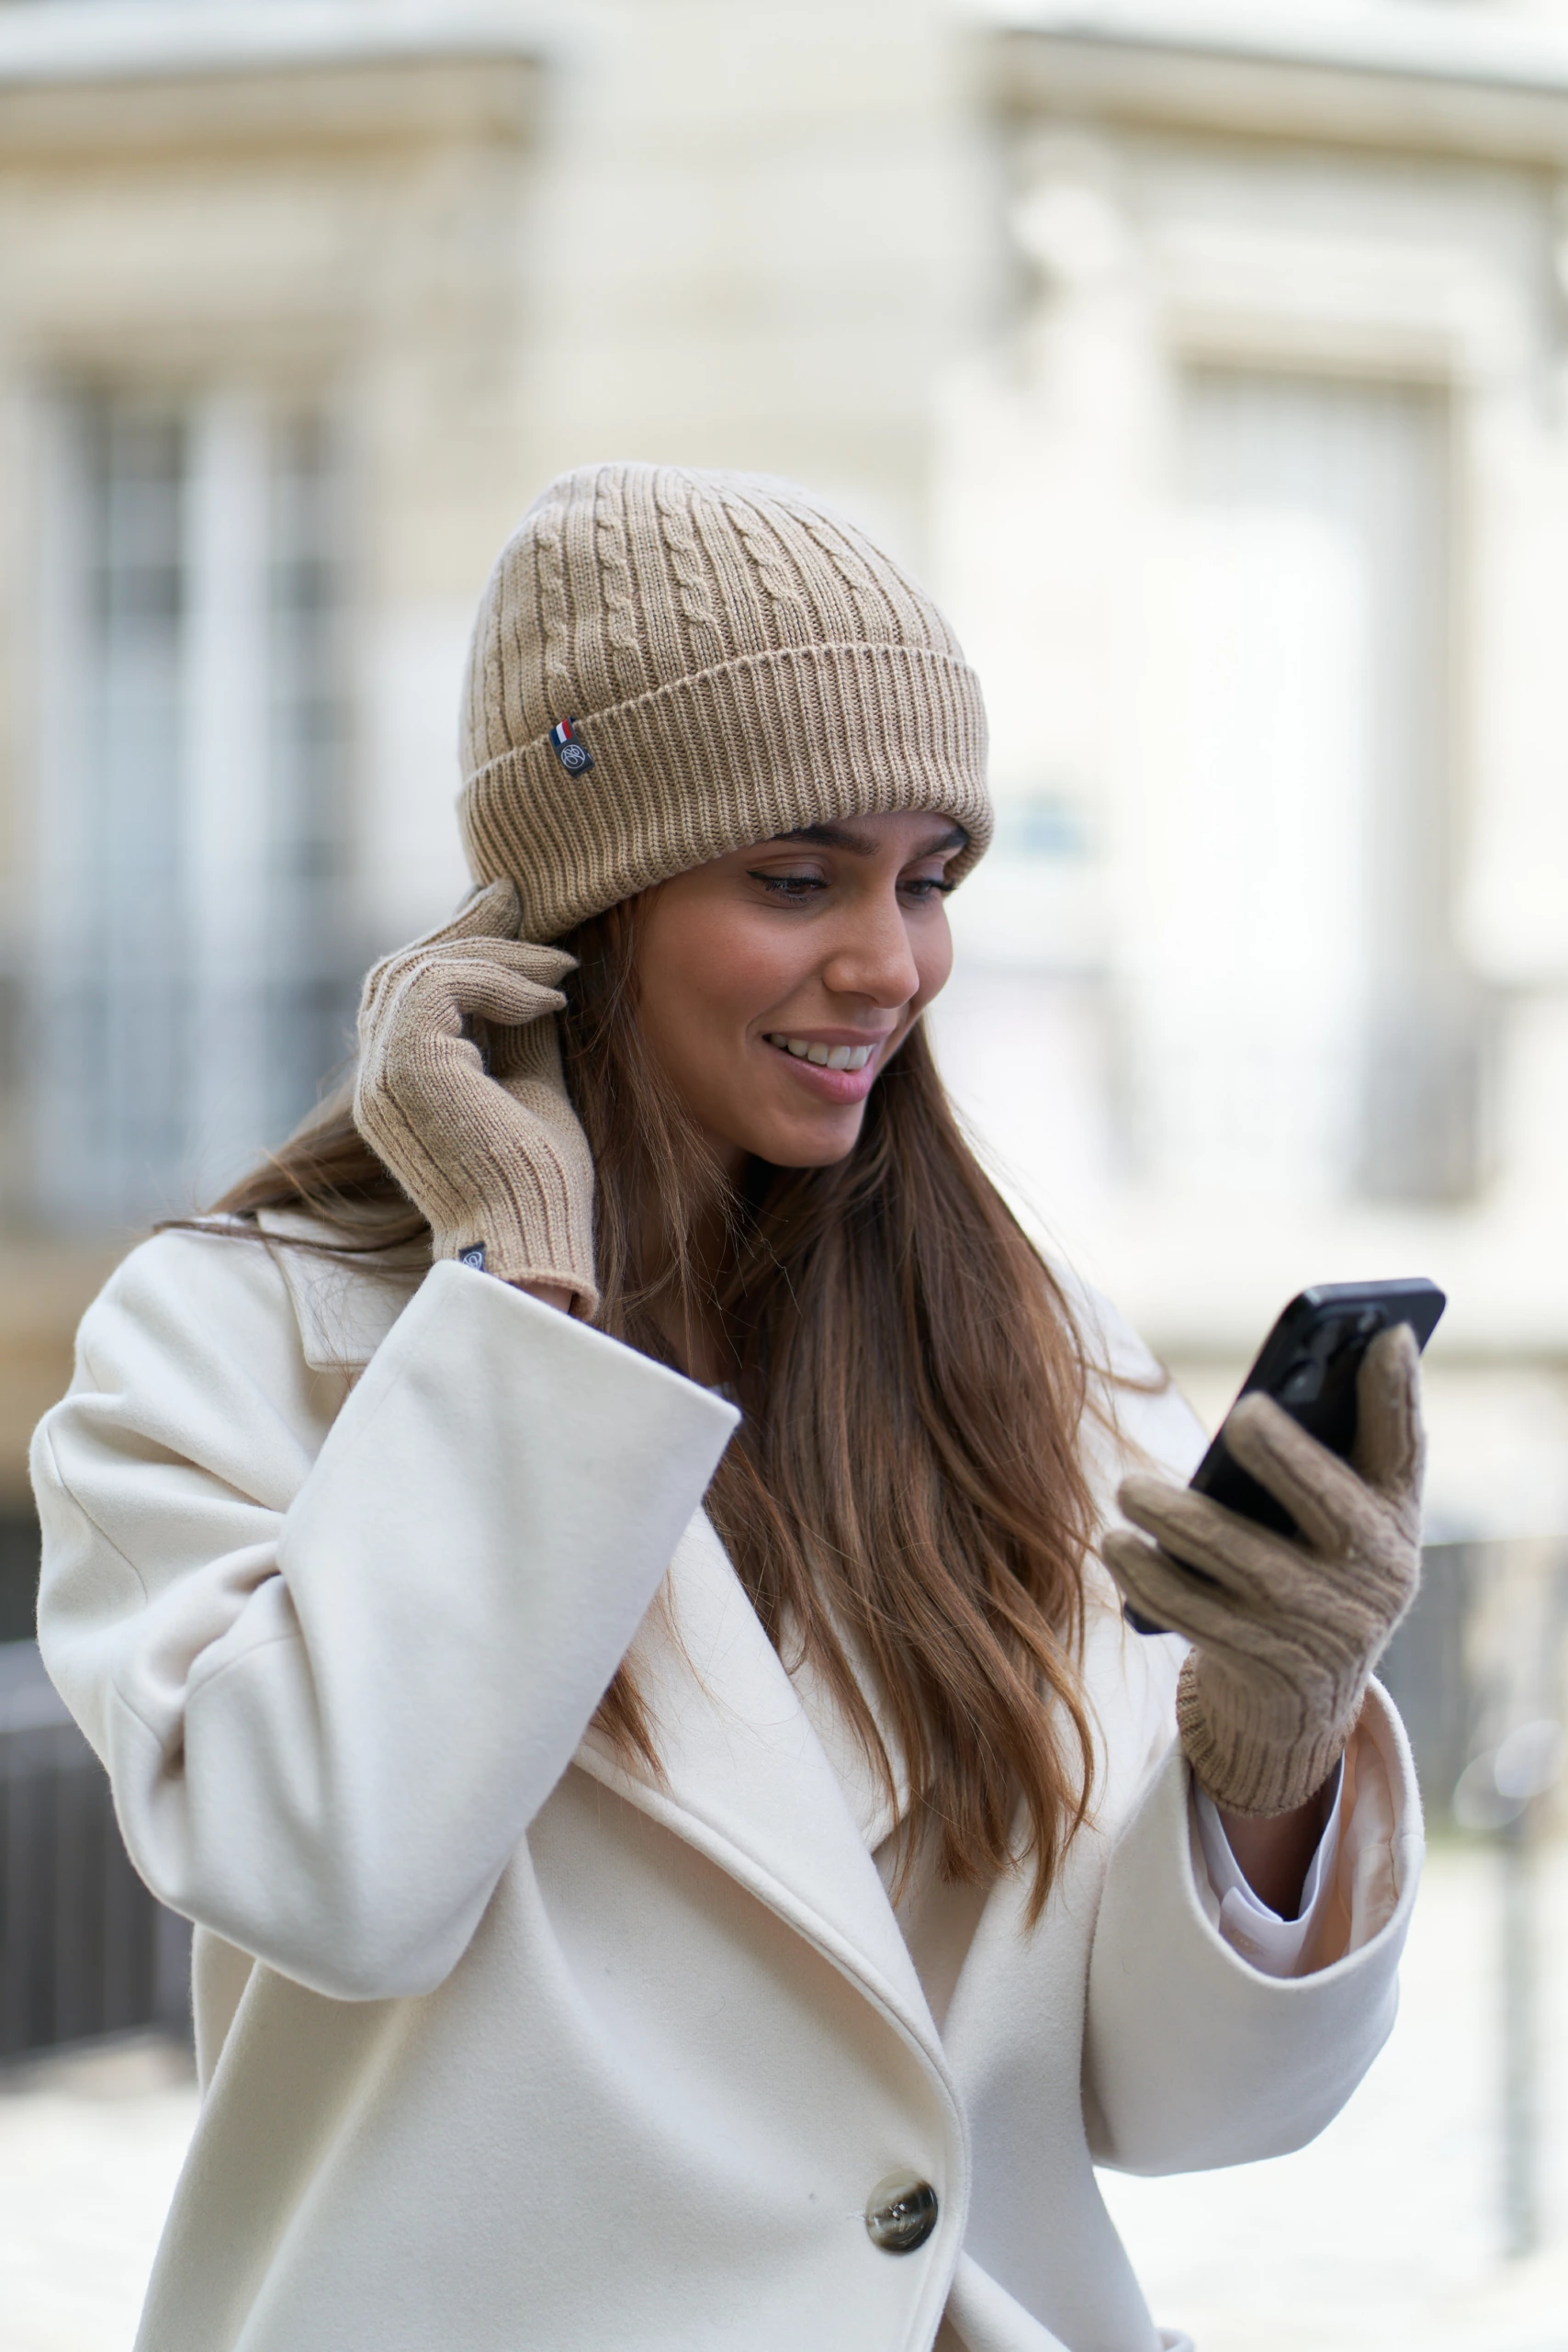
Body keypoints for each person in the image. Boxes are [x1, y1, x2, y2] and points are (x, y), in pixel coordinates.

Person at [32, 465, 1424, 2352]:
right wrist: (523, 1284)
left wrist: (1270, 1750)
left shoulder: (1034, 1351)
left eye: (927, 878)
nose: (888, 961)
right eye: (795, 877)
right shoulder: (229, 1344)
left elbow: (1180, 2107)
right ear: (585, 905)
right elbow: (336, 1868)